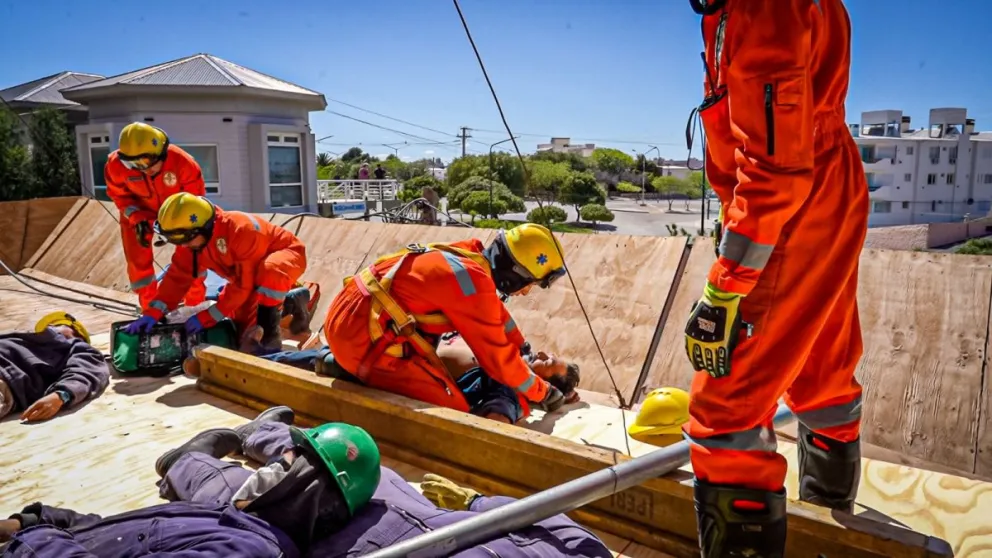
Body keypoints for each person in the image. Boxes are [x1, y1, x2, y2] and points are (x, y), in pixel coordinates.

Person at [682, 1, 868, 556]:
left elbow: (775, 171)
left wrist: (724, 290)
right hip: (820, 189)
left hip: (792, 205)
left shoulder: (762, 5)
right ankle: (827, 530)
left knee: (725, 407)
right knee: (823, 373)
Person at [156, 406, 613, 557]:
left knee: (249, 505)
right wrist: (475, 501)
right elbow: (555, 523)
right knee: (339, 455)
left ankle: (189, 462)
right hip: (424, 514)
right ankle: (264, 433)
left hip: (346, 542)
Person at [0, 407, 378, 557]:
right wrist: (36, 521)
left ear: (308, 489)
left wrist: (31, 540)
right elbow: (119, 535)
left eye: (283, 462)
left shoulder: (247, 551)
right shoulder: (227, 517)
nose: (270, 466)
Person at [322, 224, 570, 420]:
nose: (525, 292)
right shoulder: (473, 284)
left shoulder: (467, 259)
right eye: (530, 284)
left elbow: (496, 315)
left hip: (351, 318)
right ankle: (350, 369)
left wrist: (522, 347)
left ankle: (340, 362)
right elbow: (498, 361)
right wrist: (543, 392)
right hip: (360, 340)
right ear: (514, 276)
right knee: (453, 412)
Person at [233, 333, 582, 425]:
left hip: (398, 375)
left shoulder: (510, 386)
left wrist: (557, 404)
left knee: (324, 360)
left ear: (551, 385)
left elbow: (496, 419)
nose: (548, 355)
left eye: (554, 364)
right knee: (321, 355)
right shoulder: (508, 353)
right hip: (405, 353)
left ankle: (251, 359)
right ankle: (256, 355)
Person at [123, 193, 309, 352]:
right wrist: (153, 312)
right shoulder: (192, 242)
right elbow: (177, 278)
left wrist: (209, 316)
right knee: (240, 330)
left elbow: (244, 285)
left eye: (184, 239)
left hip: (285, 256)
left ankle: (270, 339)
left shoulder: (240, 230)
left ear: (203, 228)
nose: (183, 246)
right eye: (175, 240)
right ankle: (291, 302)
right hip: (246, 276)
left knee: (270, 275)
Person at [104, 122, 208, 309]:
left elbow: (195, 202)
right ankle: (150, 312)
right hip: (139, 215)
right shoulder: (115, 166)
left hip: (181, 216)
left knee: (192, 260)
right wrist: (136, 217)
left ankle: (195, 307)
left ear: (160, 153)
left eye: (144, 162)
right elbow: (118, 195)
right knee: (139, 267)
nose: (141, 168)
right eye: (133, 163)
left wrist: (180, 228)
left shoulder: (184, 163)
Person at [0, 312, 108, 423]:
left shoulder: (78, 348)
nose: (53, 328)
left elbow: (86, 372)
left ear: (78, 335)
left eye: (62, 326)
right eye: (52, 326)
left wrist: (62, 395)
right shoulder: (19, 338)